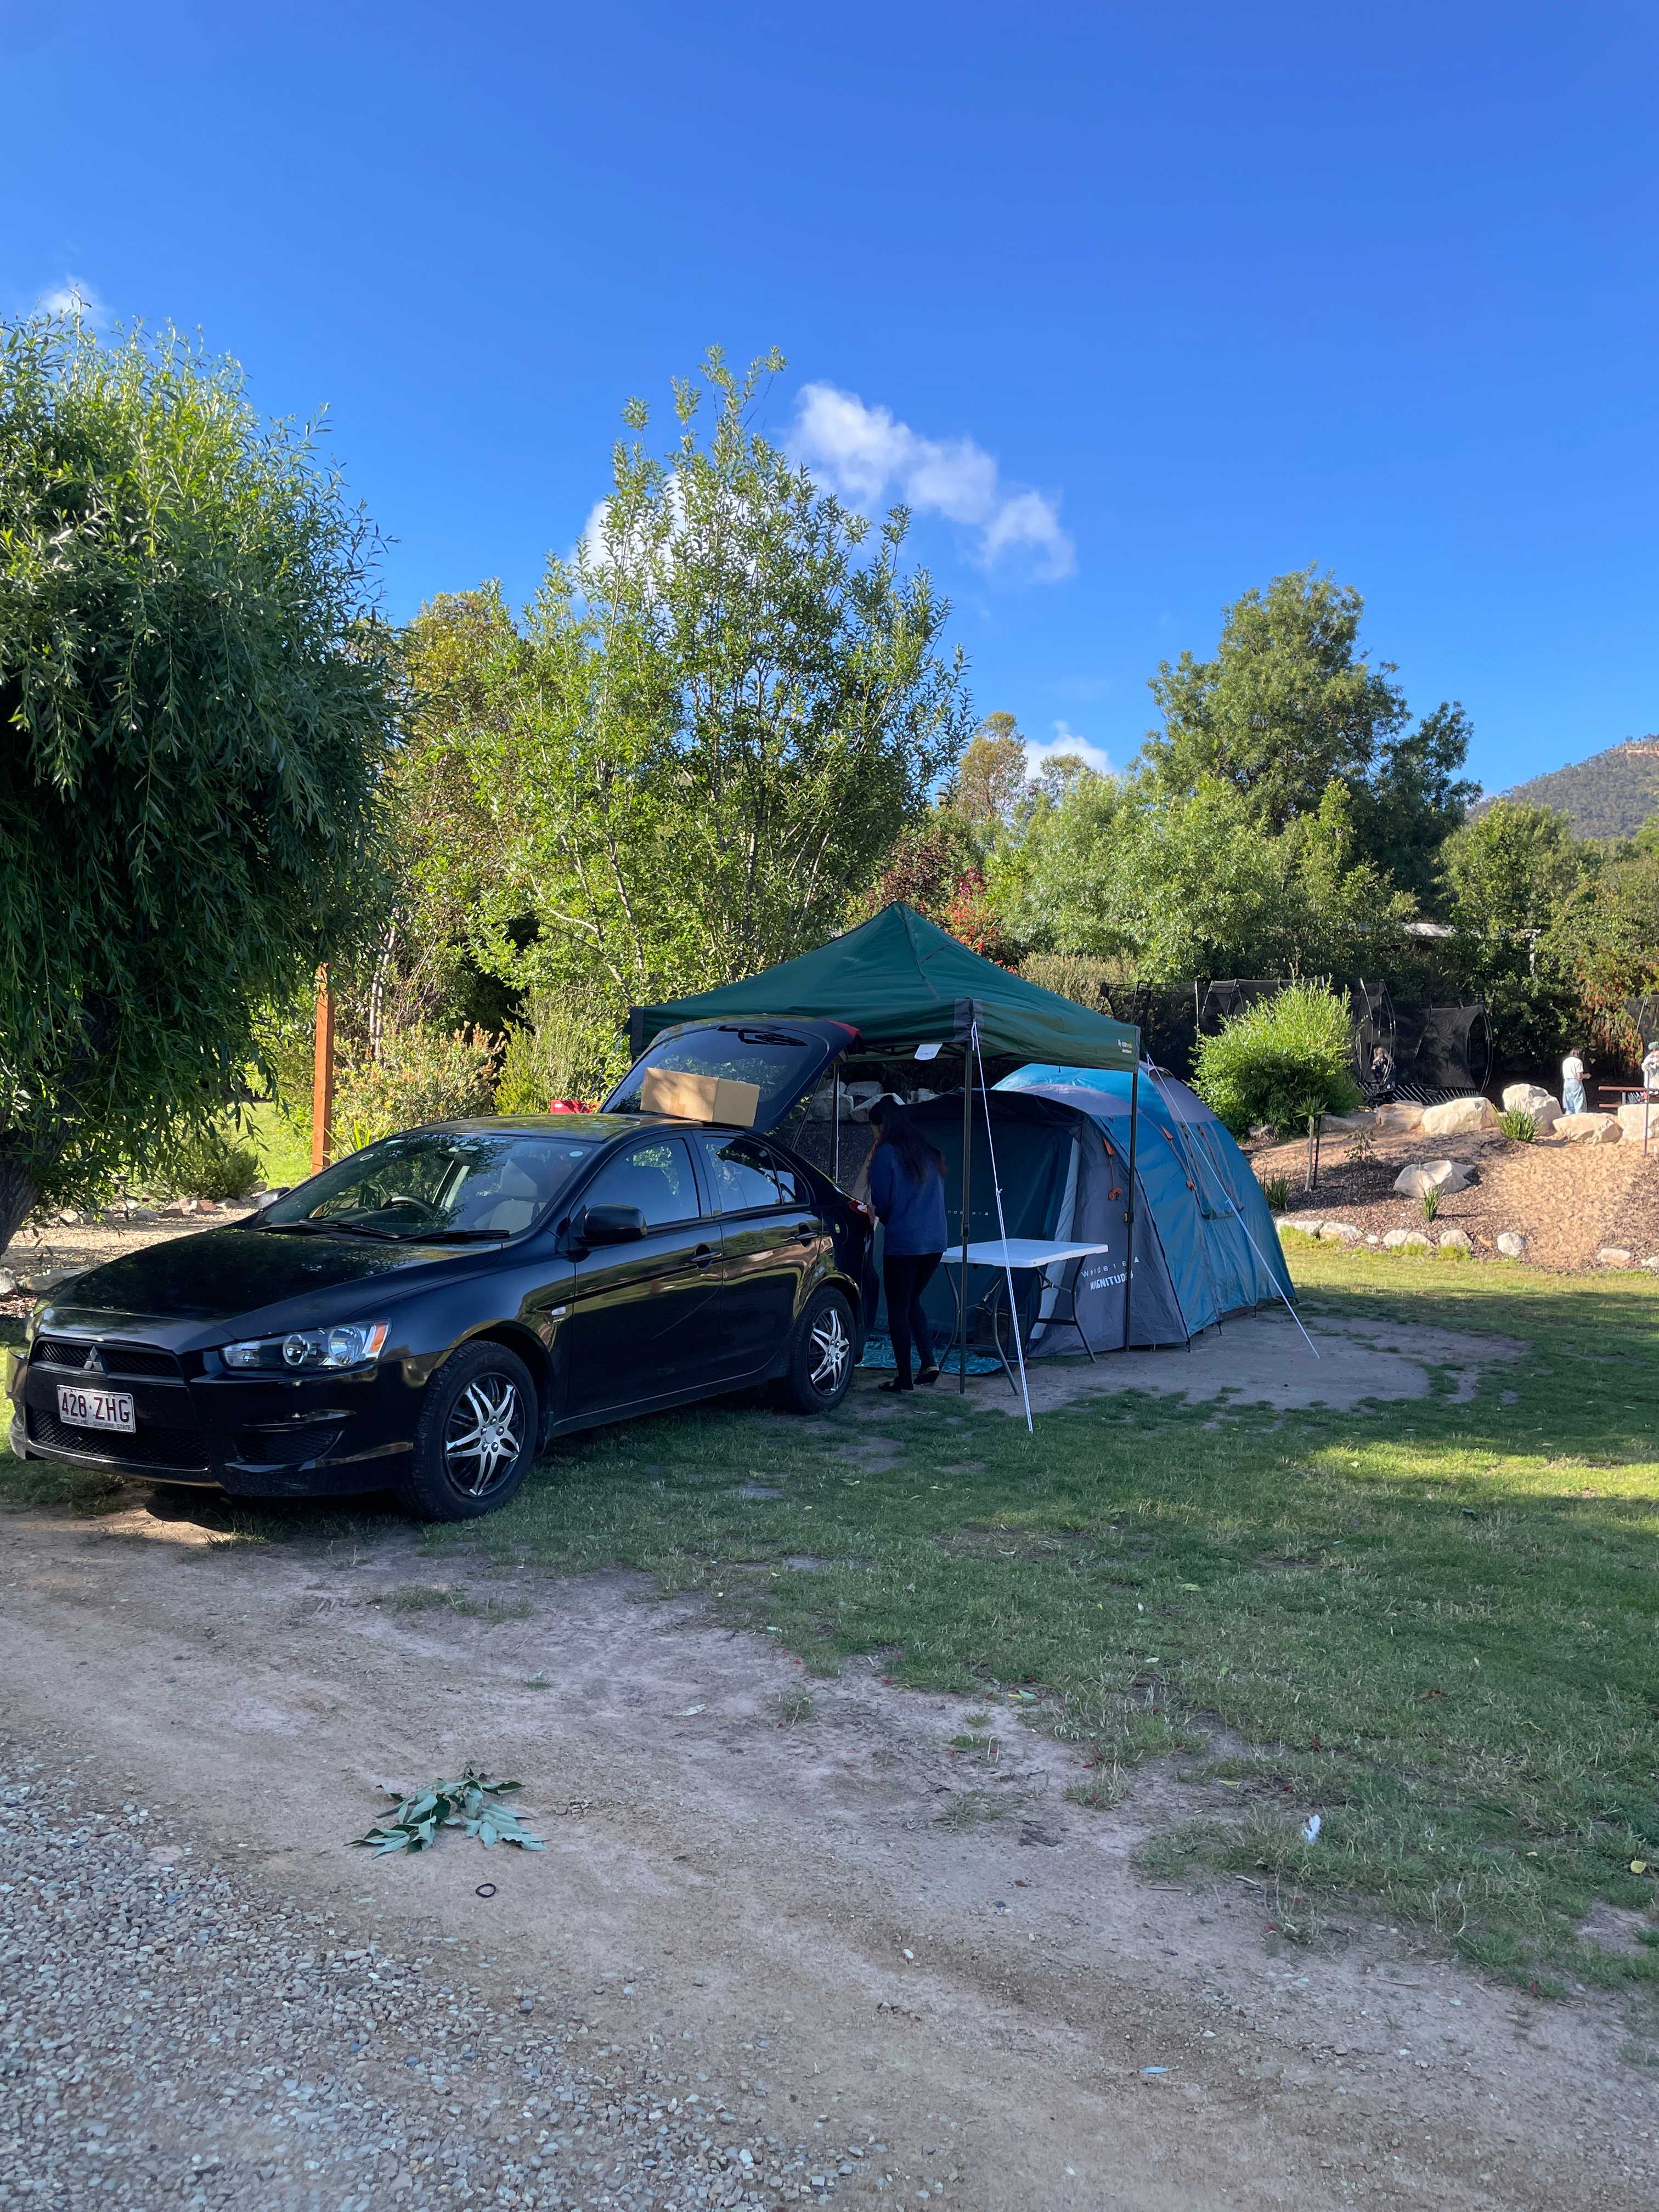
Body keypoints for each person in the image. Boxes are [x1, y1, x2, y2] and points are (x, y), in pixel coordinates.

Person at [866, 1096, 949, 1393]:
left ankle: (903, 1378)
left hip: (904, 1242)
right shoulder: (929, 1152)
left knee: (898, 1308)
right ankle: (929, 1362)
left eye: (874, 1129)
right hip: (936, 1241)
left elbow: (882, 1201)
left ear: (882, 1125)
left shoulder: (886, 1153)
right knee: (912, 1300)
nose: (874, 1136)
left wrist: (887, 1218)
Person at [1561, 1047, 1587, 1118]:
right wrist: (1586, 1076)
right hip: (1575, 1083)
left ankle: (1569, 1117)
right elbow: (1579, 1076)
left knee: (1569, 1103)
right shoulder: (1578, 1062)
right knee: (1579, 1102)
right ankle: (1579, 1118)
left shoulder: (1566, 1061)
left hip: (1566, 1082)